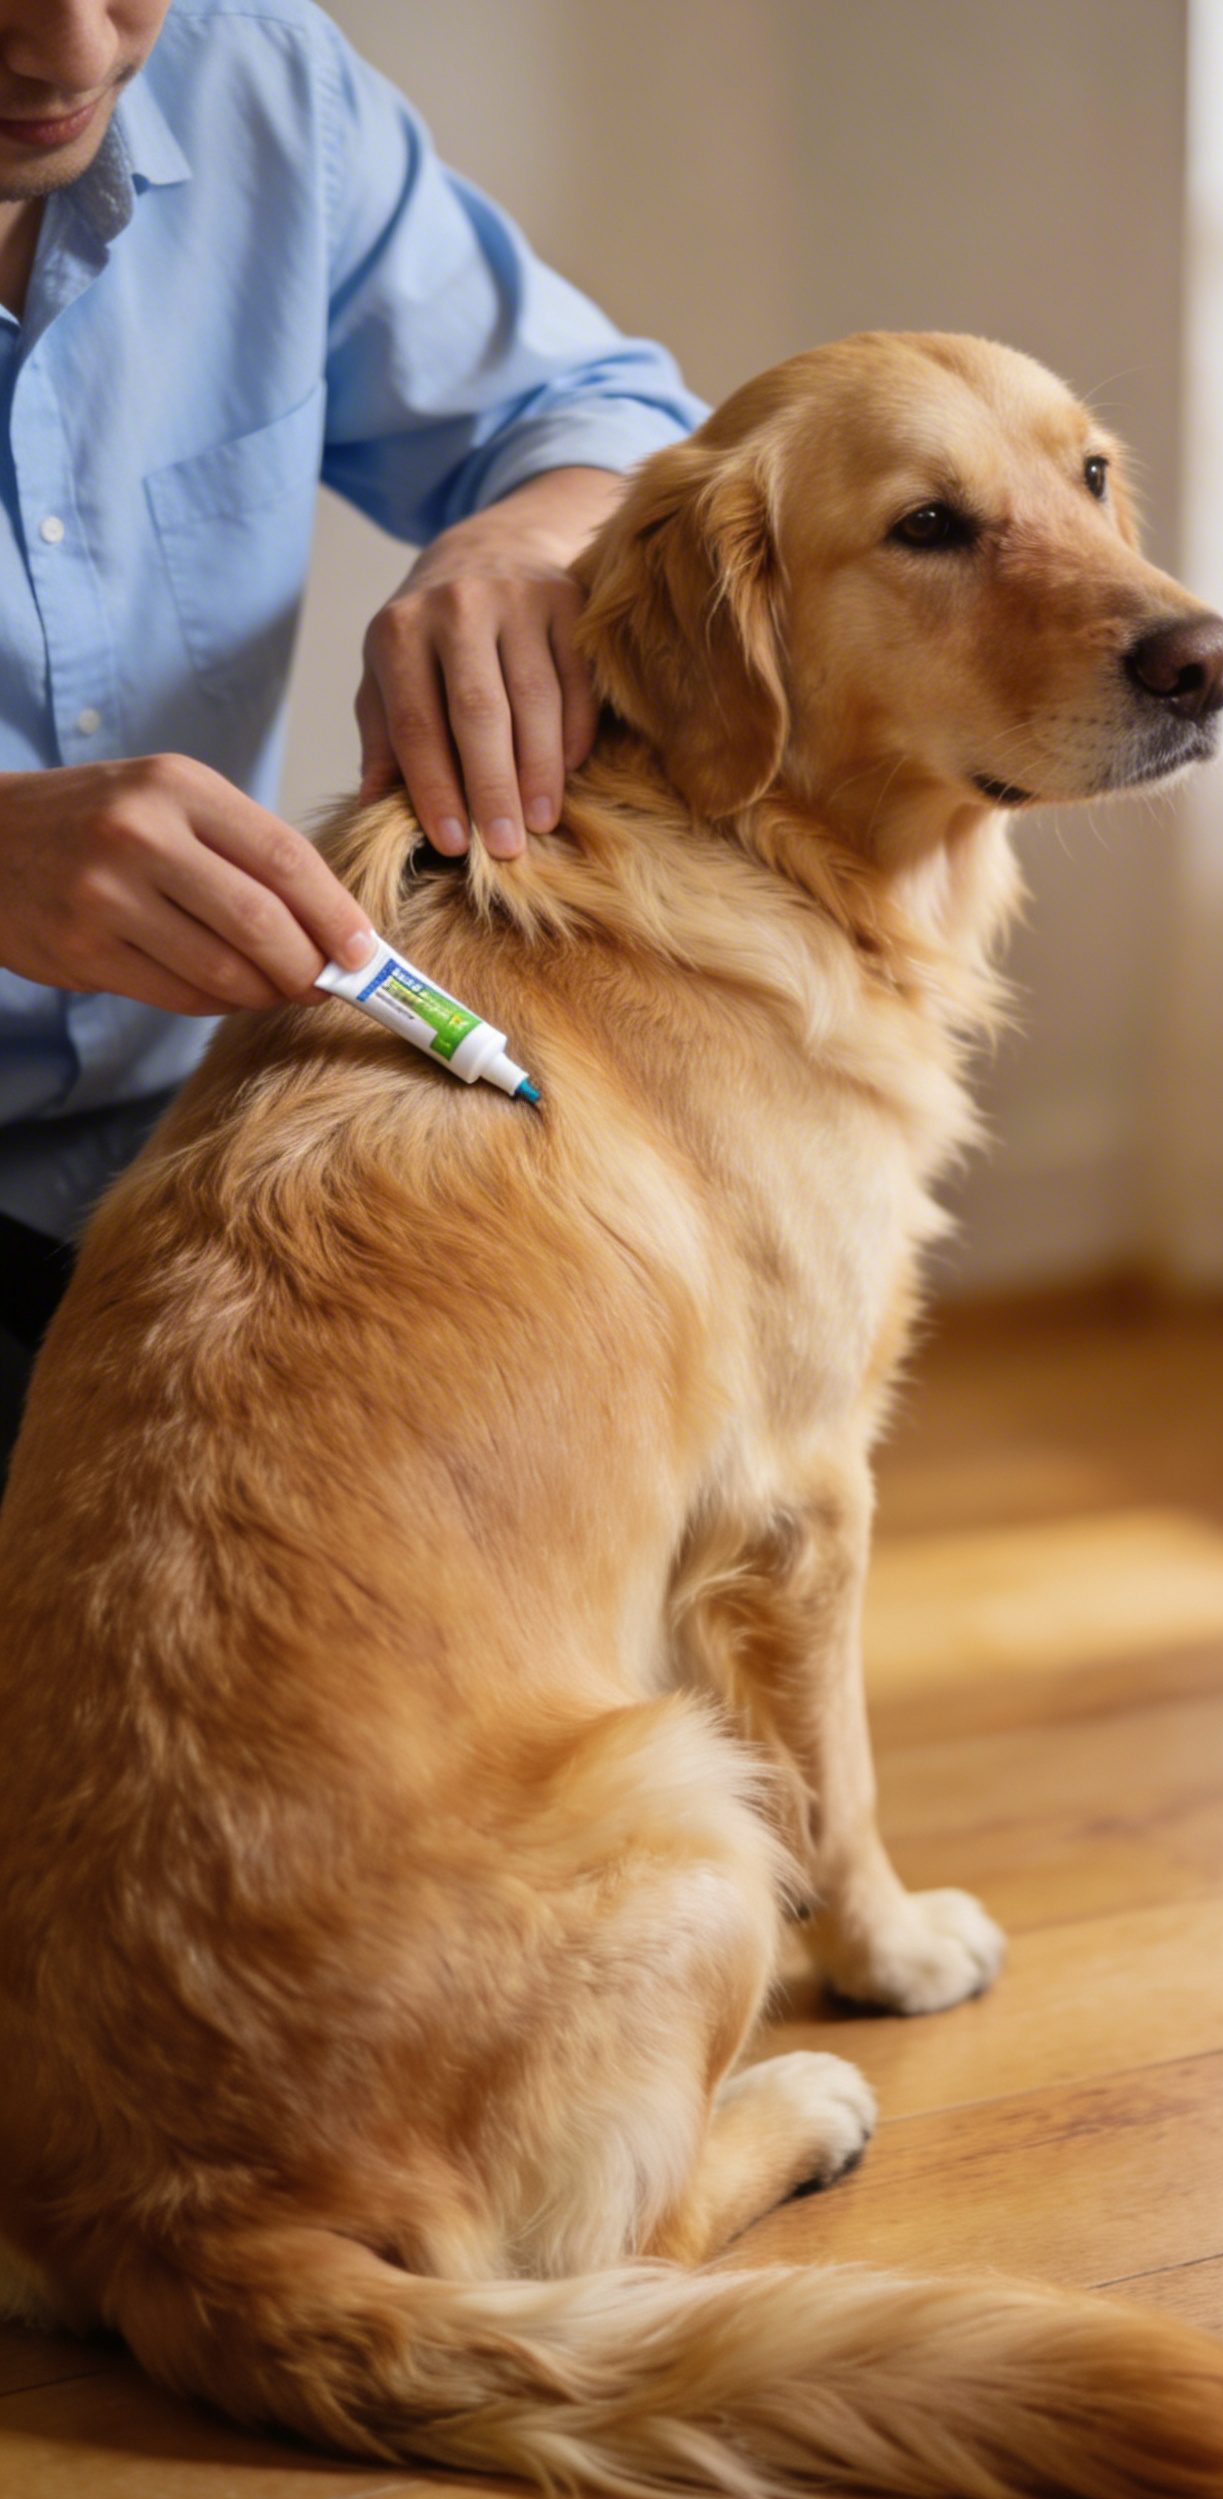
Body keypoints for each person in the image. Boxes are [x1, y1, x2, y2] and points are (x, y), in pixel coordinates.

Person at [0, 0, 706, 1455]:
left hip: (188, 1138)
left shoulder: (260, 83)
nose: (74, 58)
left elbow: (609, 409)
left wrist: (523, 537)